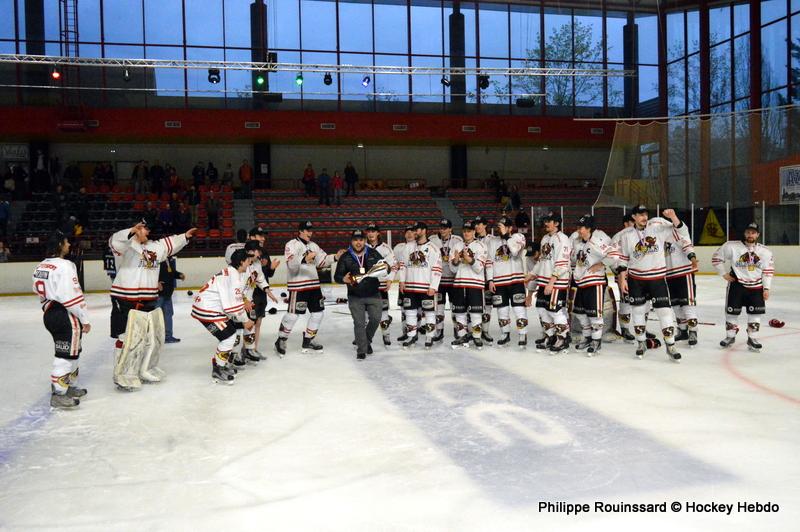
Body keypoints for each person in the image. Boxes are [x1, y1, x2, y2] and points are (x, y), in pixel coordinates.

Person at [109, 219, 196, 390]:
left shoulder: (155, 247)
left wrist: (185, 236)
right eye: (143, 229)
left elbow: (170, 243)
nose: (147, 232)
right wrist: (131, 231)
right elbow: (114, 241)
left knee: (148, 338)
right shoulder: (126, 245)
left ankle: (143, 369)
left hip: (148, 299)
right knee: (126, 338)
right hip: (125, 299)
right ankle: (122, 374)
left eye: (147, 229)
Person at [616, 205, 688, 361]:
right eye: (640, 214)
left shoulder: (657, 227)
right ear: (634, 217)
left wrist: (673, 217)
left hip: (657, 279)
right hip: (636, 280)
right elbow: (623, 258)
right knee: (638, 312)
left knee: (664, 312)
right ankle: (641, 343)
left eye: (646, 214)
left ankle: (670, 345)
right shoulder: (627, 235)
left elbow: (681, 231)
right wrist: (622, 278)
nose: (644, 217)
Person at [33, 230, 91, 408]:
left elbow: (38, 290)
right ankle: (59, 394)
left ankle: (69, 386)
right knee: (64, 355)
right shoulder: (65, 266)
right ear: (59, 245)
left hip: (50, 313)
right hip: (65, 314)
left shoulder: (41, 265)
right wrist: (84, 318)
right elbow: (72, 295)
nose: (69, 245)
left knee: (73, 350)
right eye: (66, 242)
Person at [275, 221, 345, 356]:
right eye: (307, 230)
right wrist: (304, 258)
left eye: (311, 230)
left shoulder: (314, 245)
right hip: (298, 286)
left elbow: (322, 261)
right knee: (293, 315)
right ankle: (281, 339)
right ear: (300, 231)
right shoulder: (291, 244)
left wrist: (336, 257)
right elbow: (291, 264)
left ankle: (309, 339)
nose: (310, 233)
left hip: (314, 286)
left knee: (318, 313)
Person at [191, 249, 254, 384]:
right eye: (248, 261)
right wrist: (246, 320)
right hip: (208, 311)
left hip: (209, 310)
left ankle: (221, 364)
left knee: (230, 334)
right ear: (241, 262)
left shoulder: (230, 272)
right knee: (229, 337)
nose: (249, 263)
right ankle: (218, 369)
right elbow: (233, 306)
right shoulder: (233, 277)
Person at [712, 222, 774, 353]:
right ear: (744, 233)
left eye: (753, 232)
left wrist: (766, 288)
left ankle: (752, 338)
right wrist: (724, 274)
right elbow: (716, 259)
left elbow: (768, 271)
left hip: (756, 287)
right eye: (748, 232)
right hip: (737, 286)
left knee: (755, 314)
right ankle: (730, 337)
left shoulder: (765, 252)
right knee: (731, 313)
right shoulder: (731, 246)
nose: (750, 235)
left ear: (758, 235)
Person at [335, 230, 390, 359]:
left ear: (365, 241)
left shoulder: (373, 253)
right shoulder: (345, 257)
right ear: (351, 241)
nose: (358, 242)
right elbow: (337, 276)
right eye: (355, 240)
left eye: (361, 240)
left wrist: (386, 268)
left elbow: (386, 268)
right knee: (359, 323)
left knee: (376, 319)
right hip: (355, 295)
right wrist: (343, 279)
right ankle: (361, 349)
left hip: (373, 293)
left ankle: (366, 341)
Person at [569, 215, 616, 355]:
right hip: (580, 282)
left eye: (581, 227)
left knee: (595, 314)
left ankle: (596, 341)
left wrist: (601, 264)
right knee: (580, 313)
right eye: (578, 227)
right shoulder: (577, 242)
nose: (578, 230)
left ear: (589, 228)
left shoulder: (597, 241)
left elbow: (614, 255)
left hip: (594, 282)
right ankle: (587, 337)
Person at [527, 211, 572, 353]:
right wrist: (532, 274)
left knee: (555, 311)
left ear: (557, 223)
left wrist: (552, 282)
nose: (546, 223)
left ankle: (563, 338)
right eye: (545, 221)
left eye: (549, 221)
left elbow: (562, 264)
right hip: (543, 281)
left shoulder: (563, 239)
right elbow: (542, 260)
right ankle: (550, 336)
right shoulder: (545, 238)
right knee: (542, 310)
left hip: (556, 283)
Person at [486, 216, 529, 348]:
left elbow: (514, 252)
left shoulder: (518, 237)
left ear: (510, 228)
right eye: (499, 226)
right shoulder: (492, 242)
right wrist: (490, 280)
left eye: (503, 226)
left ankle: (522, 334)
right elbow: (489, 262)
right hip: (499, 281)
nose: (500, 229)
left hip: (516, 280)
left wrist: (506, 236)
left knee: (519, 309)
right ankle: (505, 334)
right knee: (502, 310)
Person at [398, 222, 442, 349]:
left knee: (429, 313)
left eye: (417, 230)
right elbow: (403, 265)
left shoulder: (433, 248)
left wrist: (433, 286)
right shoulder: (408, 247)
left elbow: (437, 269)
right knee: (410, 312)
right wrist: (402, 281)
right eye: (413, 230)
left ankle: (429, 336)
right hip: (410, 286)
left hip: (425, 287)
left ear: (424, 231)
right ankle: (411, 336)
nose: (414, 232)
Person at [449, 220, 488, 349]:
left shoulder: (481, 246)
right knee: (459, 312)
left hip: (475, 284)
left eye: (469, 231)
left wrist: (469, 259)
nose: (466, 233)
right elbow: (452, 269)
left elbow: (479, 268)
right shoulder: (456, 246)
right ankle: (462, 336)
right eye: (465, 231)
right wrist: (455, 261)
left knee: (476, 313)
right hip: (459, 284)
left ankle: (477, 337)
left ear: (474, 232)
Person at [664, 216, 700, 347]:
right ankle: (683, 330)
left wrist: (693, 260)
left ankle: (693, 331)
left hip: (684, 273)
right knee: (675, 305)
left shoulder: (679, 232)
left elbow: (687, 246)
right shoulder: (659, 237)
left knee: (687, 304)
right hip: (668, 275)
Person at [429, 218, 463, 342]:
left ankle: (457, 330)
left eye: (445, 228)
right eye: (441, 228)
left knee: (455, 307)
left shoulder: (457, 240)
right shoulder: (432, 240)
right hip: (439, 281)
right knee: (439, 308)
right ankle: (439, 331)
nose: (442, 230)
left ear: (450, 229)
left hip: (454, 280)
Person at [365, 222, 396, 346]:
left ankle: (386, 335)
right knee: (365, 315)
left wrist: (390, 279)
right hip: (366, 286)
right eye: (369, 231)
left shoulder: (386, 248)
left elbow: (394, 265)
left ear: (378, 233)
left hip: (381, 286)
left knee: (383, 313)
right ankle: (363, 338)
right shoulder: (362, 246)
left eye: (373, 231)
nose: (371, 233)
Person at [611, 214, 636, 341]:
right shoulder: (618, 237)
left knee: (643, 302)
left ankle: (642, 328)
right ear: (625, 223)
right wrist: (618, 272)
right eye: (632, 221)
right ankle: (624, 329)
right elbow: (613, 257)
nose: (634, 223)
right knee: (626, 302)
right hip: (624, 275)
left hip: (639, 274)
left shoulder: (638, 234)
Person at [473, 216, 496, 343]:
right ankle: (474, 331)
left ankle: (485, 331)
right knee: (474, 305)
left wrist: (492, 278)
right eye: (476, 224)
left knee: (488, 305)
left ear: (485, 225)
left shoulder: (493, 239)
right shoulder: (472, 239)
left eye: (479, 223)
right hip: (475, 277)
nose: (477, 226)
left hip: (488, 277)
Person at [393, 225, 417, 342]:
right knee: (404, 309)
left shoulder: (420, 246)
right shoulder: (399, 247)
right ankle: (406, 332)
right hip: (404, 283)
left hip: (417, 282)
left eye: (412, 231)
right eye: (407, 232)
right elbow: (394, 263)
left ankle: (416, 331)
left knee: (418, 309)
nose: (409, 234)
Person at [157, 253, 184, 343]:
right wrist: (156, 282)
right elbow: (149, 271)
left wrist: (179, 275)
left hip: (167, 292)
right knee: (155, 316)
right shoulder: (156, 257)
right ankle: (153, 336)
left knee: (168, 314)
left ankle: (168, 336)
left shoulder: (169, 259)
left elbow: (171, 272)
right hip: (158, 294)